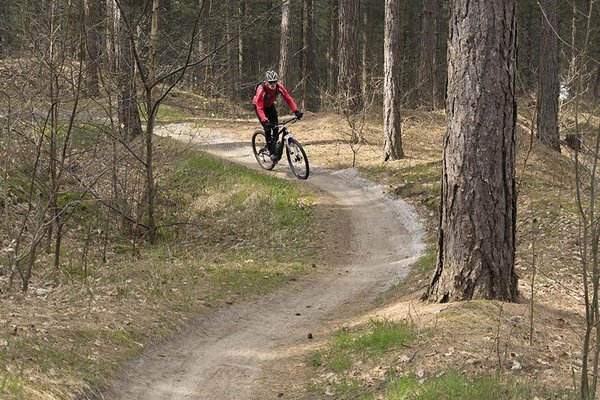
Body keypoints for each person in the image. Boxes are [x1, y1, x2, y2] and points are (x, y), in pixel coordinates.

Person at [252, 70, 303, 161]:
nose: (272, 84)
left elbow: (288, 98)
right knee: (267, 129)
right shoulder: (261, 90)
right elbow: (259, 108)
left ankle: (273, 145)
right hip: (259, 107)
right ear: (267, 82)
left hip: (270, 106)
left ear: (277, 81)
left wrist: (296, 111)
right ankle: (271, 153)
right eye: (270, 82)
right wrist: (265, 120)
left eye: (274, 82)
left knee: (276, 128)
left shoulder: (279, 87)